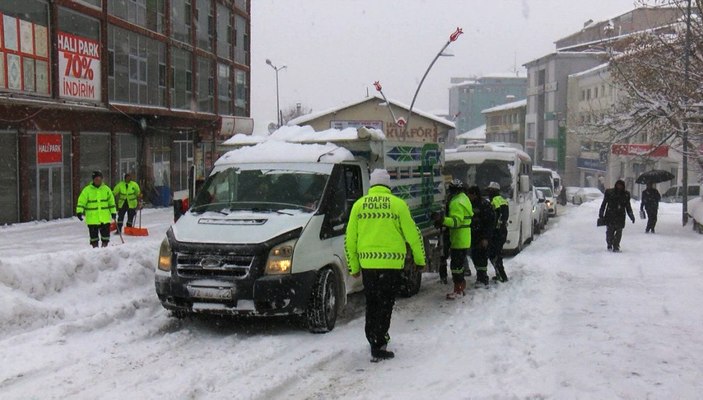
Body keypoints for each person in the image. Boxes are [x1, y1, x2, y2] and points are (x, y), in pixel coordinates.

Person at [345, 169, 426, 362]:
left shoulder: (358, 205)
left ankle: (372, 336)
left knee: (372, 302)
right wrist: (420, 260)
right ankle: (379, 343)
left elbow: (350, 240)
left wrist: (353, 267)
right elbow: (414, 235)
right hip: (391, 265)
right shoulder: (398, 205)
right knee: (385, 303)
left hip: (368, 265)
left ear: (372, 184)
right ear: (388, 185)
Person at [434, 179, 473, 299]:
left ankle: (458, 290)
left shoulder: (456, 202)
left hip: (458, 238)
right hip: (464, 236)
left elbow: (456, 221)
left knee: (456, 266)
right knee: (459, 265)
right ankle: (460, 286)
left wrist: (443, 220)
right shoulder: (464, 198)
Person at [76, 171, 117, 248]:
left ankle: (104, 247)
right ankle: (95, 249)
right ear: (93, 180)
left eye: (99, 179)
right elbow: (81, 202)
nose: (98, 181)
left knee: (105, 236)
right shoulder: (87, 190)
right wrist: (79, 212)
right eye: (96, 179)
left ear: (102, 179)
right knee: (94, 237)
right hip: (92, 219)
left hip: (104, 218)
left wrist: (113, 212)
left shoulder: (107, 190)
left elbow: (111, 203)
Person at [466, 186, 495, 287]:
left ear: (474, 194)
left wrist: (485, 238)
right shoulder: (470, 204)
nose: (468, 196)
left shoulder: (484, 205)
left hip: (482, 236)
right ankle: (480, 277)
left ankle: (483, 278)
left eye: (469, 194)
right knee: (475, 257)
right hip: (474, 236)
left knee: (481, 258)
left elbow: (489, 223)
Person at [598, 179, 635, 252]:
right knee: (610, 232)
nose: (619, 187)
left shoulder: (626, 194)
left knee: (619, 232)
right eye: (618, 185)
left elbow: (628, 206)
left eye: (621, 185)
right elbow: (604, 203)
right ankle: (609, 243)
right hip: (610, 215)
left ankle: (616, 245)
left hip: (620, 216)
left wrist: (631, 215)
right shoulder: (609, 192)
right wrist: (601, 213)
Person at [486, 182, 509, 282]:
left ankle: (501, 275)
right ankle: (500, 274)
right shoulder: (504, 200)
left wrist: (491, 231)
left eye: (489, 191)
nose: (488, 193)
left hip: (496, 232)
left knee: (494, 254)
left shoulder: (493, 202)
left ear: (493, 191)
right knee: (497, 253)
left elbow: (493, 218)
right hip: (503, 230)